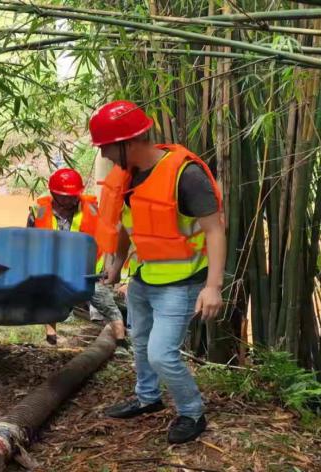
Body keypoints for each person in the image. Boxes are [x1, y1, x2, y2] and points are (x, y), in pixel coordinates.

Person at [90, 100, 226, 444]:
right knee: (140, 343)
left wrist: (213, 287)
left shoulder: (186, 175)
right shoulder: (127, 175)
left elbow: (215, 230)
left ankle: (192, 412)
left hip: (181, 283)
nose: (104, 154)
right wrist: (117, 264)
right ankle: (147, 397)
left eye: (106, 146)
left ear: (128, 142)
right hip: (143, 277)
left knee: (162, 354)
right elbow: (127, 224)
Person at [25, 168, 126, 348]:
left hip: (87, 269)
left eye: (73, 196)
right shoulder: (39, 211)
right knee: (49, 299)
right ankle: (51, 338)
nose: (69, 200)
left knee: (106, 303)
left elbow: (108, 237)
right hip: (53, 269)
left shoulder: (92, 209)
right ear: (53, 193)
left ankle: (121, 341)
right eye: (64, 197)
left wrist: (109, 265)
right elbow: (29, 241)